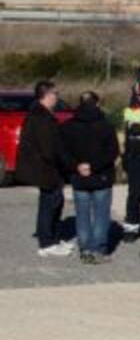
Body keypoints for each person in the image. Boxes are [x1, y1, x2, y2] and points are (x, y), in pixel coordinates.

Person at [61, 91, 120, 264]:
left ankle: (85, 249)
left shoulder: (68, 126)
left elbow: (62, 152)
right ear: (98, 104)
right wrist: (93, 166)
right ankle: (98, 249)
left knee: (82, 215)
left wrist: (76, 166)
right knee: (101, 215)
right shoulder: (106, 125)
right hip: (101, 176)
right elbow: (113, 152)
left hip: (79, 177)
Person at [15, 80, 72, 257]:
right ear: (46, 95)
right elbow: (49, 148)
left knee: (54, 202)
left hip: (47, 168)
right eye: (55, 94)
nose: (57, 97)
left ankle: (53, 238)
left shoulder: (42, 115)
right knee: (50, 204)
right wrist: (67, 163)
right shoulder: (41, 117)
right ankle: (46, 242)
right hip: (45, 169)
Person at [120, 83, 140, 241]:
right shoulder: (130, 111)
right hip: (136, 157)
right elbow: (138, 127)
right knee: (135, 195)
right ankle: (130, 228)